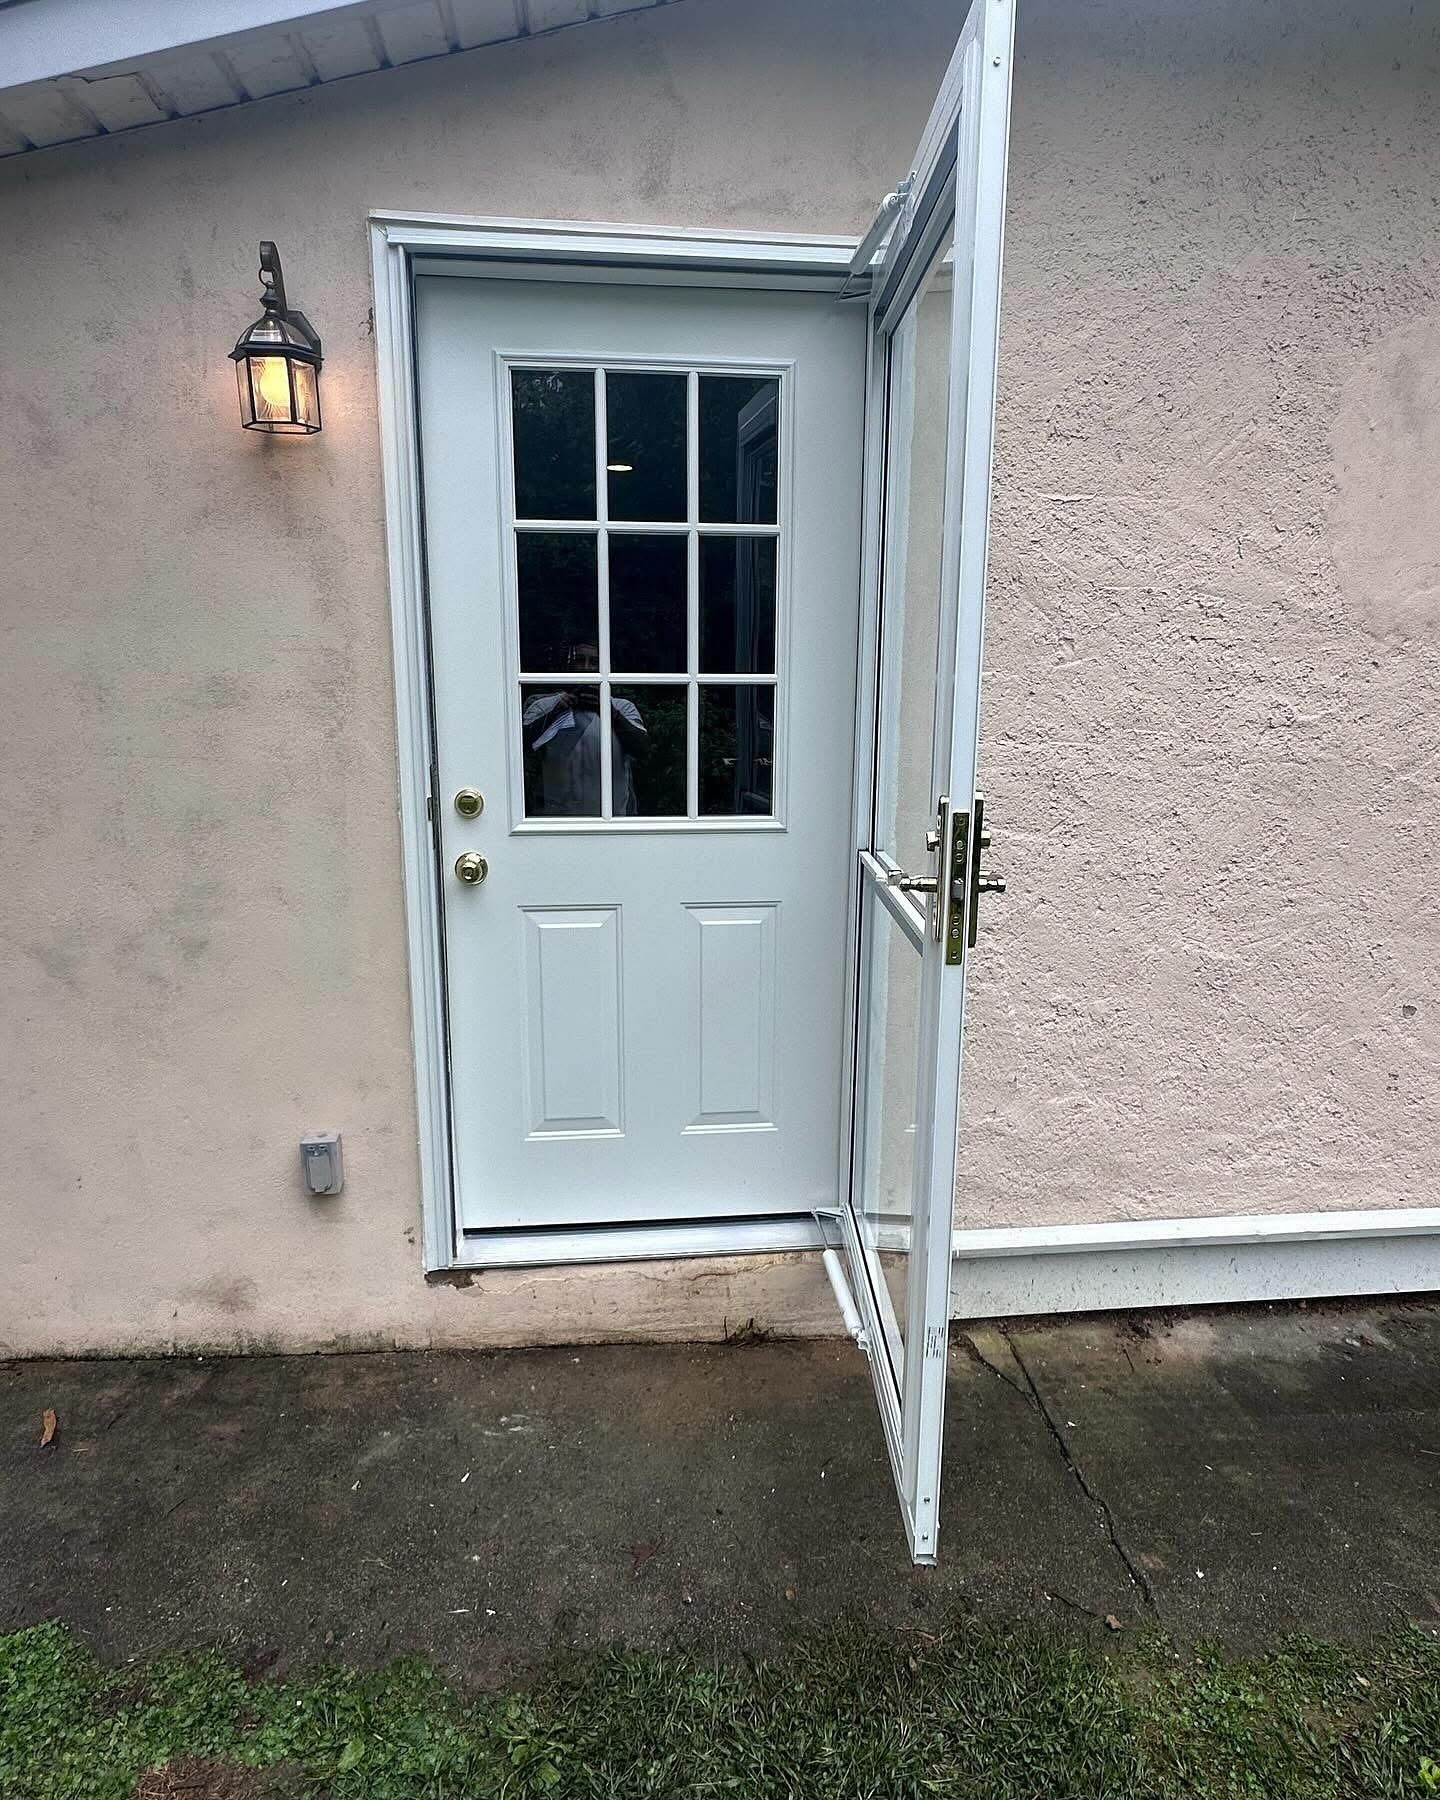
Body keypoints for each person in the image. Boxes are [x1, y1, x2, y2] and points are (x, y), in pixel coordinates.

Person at [522, 643, 648, 816]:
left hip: (611, 818)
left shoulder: (623, 708)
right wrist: (557, 710)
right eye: (580, 661)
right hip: (554, 819)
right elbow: (520, 750)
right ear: (567, 667)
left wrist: (609, 712)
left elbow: (643, 750)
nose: (587, 668)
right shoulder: (543, 706)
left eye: (594, 662)